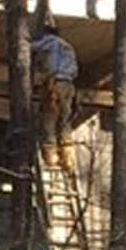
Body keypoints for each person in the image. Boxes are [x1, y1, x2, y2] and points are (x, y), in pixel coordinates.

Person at [31, 23, 78, 172]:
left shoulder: (51, 41)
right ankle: (67, 157)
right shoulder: (68, 47)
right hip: (69, 85)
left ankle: (50, 156)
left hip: (54, 84)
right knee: (64, 121)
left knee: (49, 119)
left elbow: (31, 48)